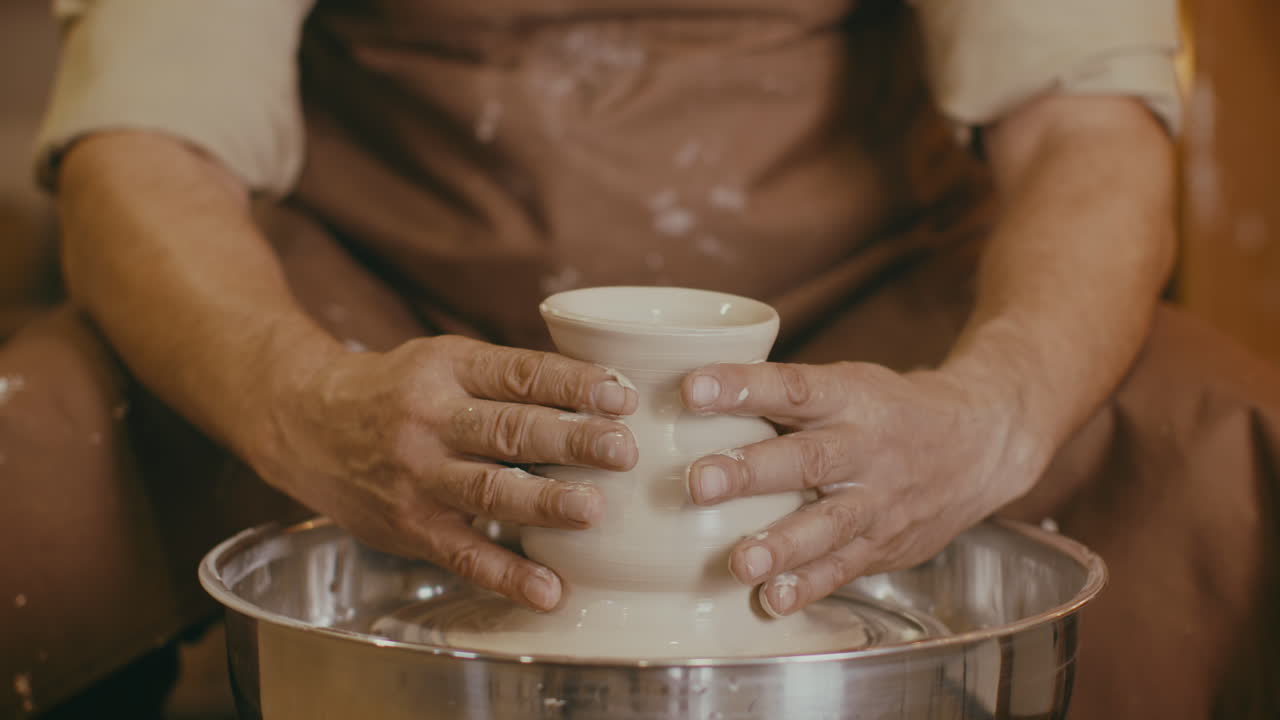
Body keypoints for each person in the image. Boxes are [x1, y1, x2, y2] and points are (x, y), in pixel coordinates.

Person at [1, 0, 1277, 717]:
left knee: (1221, 444)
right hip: (372, 308)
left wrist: (989, 415)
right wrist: (296, 400)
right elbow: (145, 147)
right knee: (38, 456)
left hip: (853, 317)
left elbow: (1082, 135)